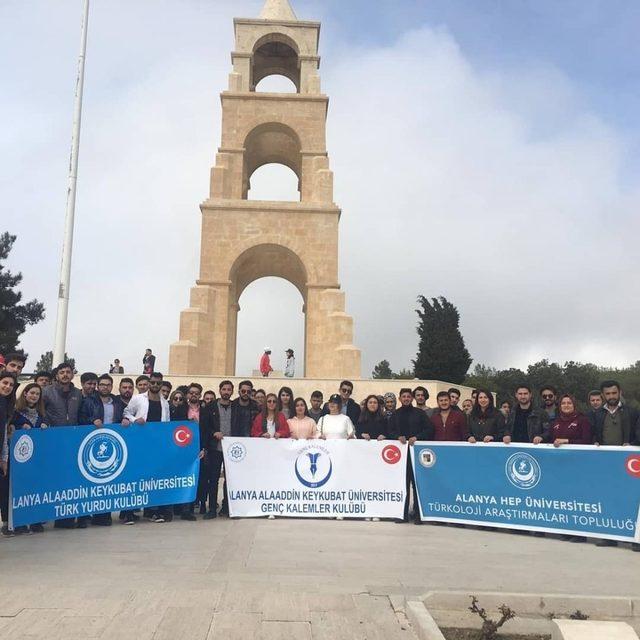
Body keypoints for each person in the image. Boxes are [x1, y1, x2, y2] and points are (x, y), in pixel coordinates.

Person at [590, 380, 640, 550]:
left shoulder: (633, 412)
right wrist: (594, 442)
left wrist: (631, 444)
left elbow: (638, 434)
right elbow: (593, 434)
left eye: (614, 393)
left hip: (627, 463)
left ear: (620, 392)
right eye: (608, 394)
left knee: (631, 500)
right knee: (608, 499)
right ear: (603, 395)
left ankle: (635, 538)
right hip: (605, 464)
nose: (611, 396)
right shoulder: (597, 414)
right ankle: (610, 537)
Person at [122, 372, 171, 524]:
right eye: (153, 382)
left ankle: (152, 511)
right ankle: (129, 512)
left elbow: (167, 423)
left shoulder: (165, 403)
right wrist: (136, 420)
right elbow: (126, 413)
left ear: (161, 384)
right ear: (149, 383)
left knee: (154, 478)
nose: (155, 385)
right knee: (135, 477)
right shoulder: (138, 399)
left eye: (158, 383)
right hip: (139, 443)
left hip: (157, 445)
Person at [42, 362, 85, 529]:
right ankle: (51, 516)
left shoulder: (77, 394)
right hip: (53, 441)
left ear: (72, 374)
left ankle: (67, 518)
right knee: (54, 479)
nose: (65, 375)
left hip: (73, 442)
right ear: (57, 375)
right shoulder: (47, 392)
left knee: (71, 480)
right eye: (62, 372)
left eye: (68, 372)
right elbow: (42, 412)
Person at [5, 382, 48, 534]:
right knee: (20, 490)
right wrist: (16, 428)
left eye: (37, 394)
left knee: (36, 489)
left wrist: (44, 426)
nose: (34, 396)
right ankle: (19, 522)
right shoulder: (15, 413)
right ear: (25, 394)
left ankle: (35, 520)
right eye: (32, 393)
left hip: (37, 460)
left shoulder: (42, 414)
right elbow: (8, 430)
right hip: (19, 460)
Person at [389, 388, 434, 524]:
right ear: (400, 398)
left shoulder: (419, 413)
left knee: (417, 484)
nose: (407, 399)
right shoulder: (395, 415)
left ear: (412, 398)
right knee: (403, 484)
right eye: (404, 396)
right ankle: (402, 514)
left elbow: (429, 429)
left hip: (416, 454)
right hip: (401, 456)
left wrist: (418, 437)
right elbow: (389, 430)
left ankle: (418, 515)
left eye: (409, 396)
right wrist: (397, 437)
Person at [0, 372, 17, 536]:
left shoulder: (6, 404)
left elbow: (4, 433)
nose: (7, 387)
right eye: (5, 383)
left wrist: (4, 458)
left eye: (11, 385)